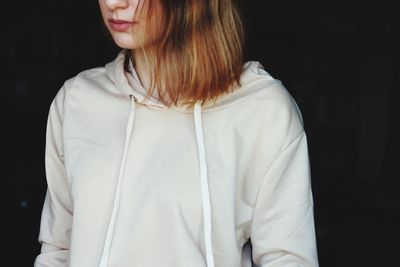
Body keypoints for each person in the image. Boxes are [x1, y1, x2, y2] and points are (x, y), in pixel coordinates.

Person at [34, 0, 320, 266]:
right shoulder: (77, 102)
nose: (113, 3)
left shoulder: (262, 111)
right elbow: (58, 251)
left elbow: (288, 259)